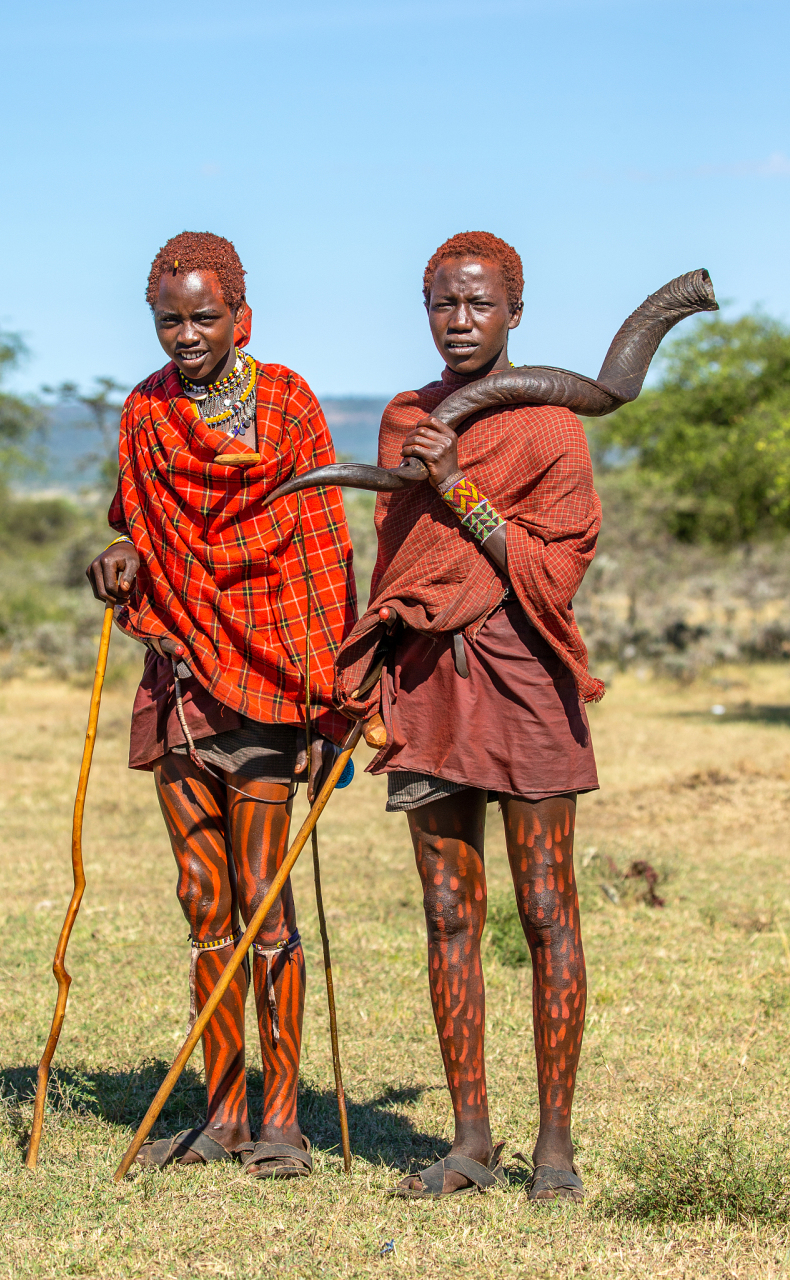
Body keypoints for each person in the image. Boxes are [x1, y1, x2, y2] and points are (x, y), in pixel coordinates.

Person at [335, 231, 602, 1201]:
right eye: (443, 303)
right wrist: (369, 673)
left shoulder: (552, 423)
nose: (459, 320)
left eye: (479, 304)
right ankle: (470, 1139)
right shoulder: (406, 416)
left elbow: (557, 568)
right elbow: (399, 559)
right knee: (448, 914)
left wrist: (458, 486)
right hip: (430, 689)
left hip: (526, 679)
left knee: (545, 911)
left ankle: (556, 1145)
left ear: (515, 313)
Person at [87, 231, 357, 1178]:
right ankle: (223, 1113)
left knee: (265, 906)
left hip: (275, 682)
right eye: (171, 318)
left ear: (242, 316)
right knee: (204, 902)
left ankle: (282, 1123)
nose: (187, 334)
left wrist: (335, 702)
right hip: (179, 680)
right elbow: (136, 528)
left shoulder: (285, 401)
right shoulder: (145, 411)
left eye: (205, 316)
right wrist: (118, 564)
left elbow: (323, 549)